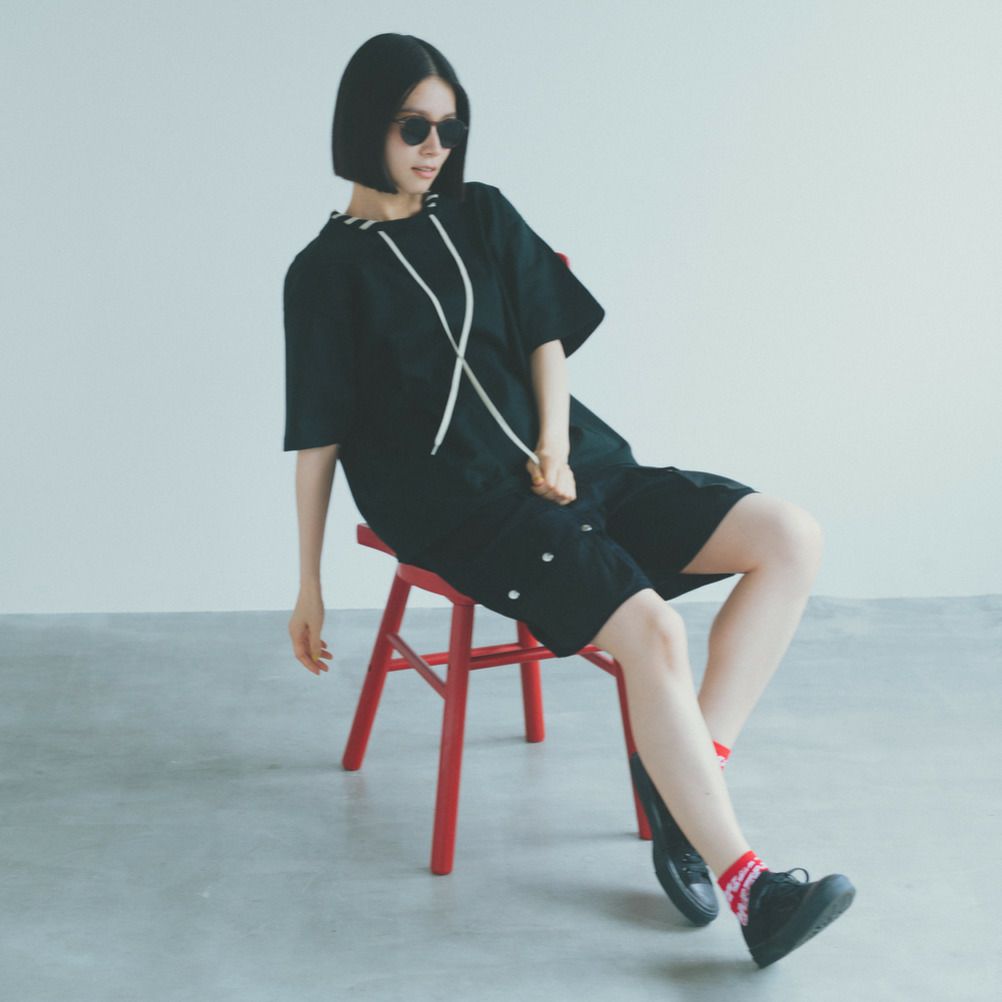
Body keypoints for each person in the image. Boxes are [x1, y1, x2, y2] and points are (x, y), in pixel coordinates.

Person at [283, 32, 855, 968]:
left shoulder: (482, 212)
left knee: (789, 536)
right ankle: (752, 888)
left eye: (450, 129)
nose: (436, 148)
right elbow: (319, 438)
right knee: (653, 632)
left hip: (576, 465)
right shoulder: (322, 274)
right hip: (462, 508)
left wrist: (554, 444)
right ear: (365, 125)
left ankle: (687, 778)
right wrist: (307, 583)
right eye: (415, 127)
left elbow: (543, 332)